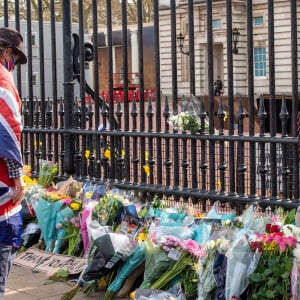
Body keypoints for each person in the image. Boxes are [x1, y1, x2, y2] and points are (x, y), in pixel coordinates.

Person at [0, 27, 27, 299]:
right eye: (15, 59)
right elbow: (7, 130)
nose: (14, 65)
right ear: (7, 52)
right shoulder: (2, 79)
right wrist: (17, 175)